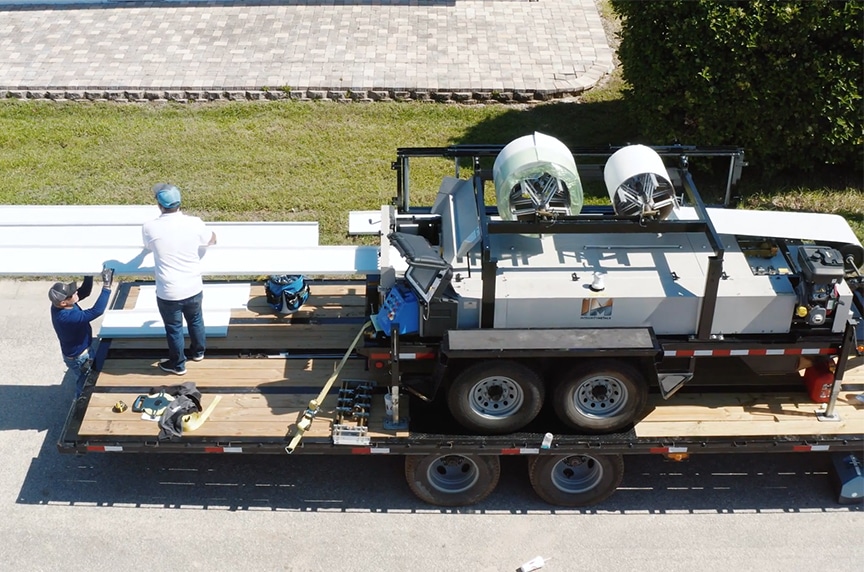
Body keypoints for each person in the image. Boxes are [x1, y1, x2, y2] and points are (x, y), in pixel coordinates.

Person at [142, 183, 217, 375]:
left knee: (174, 329)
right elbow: (211, 239)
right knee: (196, 319)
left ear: (159, 205)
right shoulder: (195, 223)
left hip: (168, 292)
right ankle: (198, 352)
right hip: (193, 286)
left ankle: (178, 365)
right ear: (180, 202)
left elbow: (149, 247)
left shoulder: (150, 227)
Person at [50, 267, 114, 397]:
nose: (75, 294)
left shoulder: (60, 304)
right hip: (79, 358)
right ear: (63, 302)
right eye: (72, 294)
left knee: (87, 377)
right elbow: (96, 311)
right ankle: (79, 401)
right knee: (84, 382)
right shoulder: (67, 318)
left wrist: (88, 274)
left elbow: (84, 292)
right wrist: (107, 286)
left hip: (80, 352)